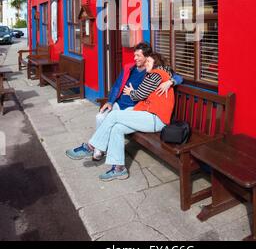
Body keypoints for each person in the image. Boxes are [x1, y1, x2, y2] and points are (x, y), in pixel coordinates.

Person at [66, 42, 182, 160]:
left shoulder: (153, 73)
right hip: (124, 105)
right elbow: (117, 86)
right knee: (102, 118)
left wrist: (171, 82)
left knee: (114, 119)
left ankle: (93, 147)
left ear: (147, 57)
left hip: (138, 108)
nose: (135, 58)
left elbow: (176, 76)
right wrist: (110, 101)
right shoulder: (130, 68)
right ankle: (107, 156)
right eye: (134, 55)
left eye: (138, 56)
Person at [87, 52, 175, 181]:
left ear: (156, 64)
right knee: (117, 128)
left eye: (148, 62)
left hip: (156, 118)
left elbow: (140, 94)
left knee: (114, 115)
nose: (146, 64)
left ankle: (93, 145)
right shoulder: (156, 74)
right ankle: (119, 168)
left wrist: (132, 92)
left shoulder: (156, 74)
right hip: (146, 115)